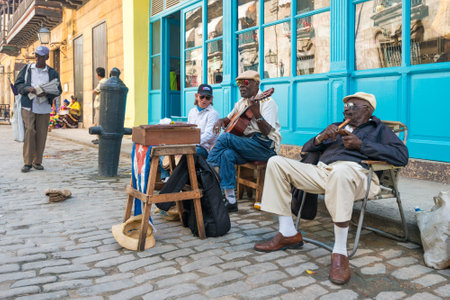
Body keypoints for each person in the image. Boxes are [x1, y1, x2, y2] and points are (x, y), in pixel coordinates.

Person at [253, 92, 408, 285]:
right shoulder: (336, 126)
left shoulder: (378, 129)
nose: (346, 108)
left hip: (358, 175)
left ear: (367, 109)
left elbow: (402, 156)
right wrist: (320, 138)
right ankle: (288, 233)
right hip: (323, 172)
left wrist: (362, 145)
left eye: (352, 105)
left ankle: (340, 253)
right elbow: (306, 148)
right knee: (276, 162)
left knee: (341, 171)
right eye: (345, 105)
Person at [207, 70, 281, 212]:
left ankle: (208, 168)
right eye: (239, 83)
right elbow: (229, 119)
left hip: (264, 148)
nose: (241, 86)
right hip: (247, 144)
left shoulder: (267, 102)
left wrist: (256, 112)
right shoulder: (241, 103)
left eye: (246, 82)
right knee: (227, 154)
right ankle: (230, 200)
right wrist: (220, 121)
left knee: (227, 138)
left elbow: (266, 132)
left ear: (257, 84)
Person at [15, 45, 62, 173]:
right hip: (28, 105)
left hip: (44, 107)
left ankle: (37, 161)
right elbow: (18, 84)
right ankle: (27, 162)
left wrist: (47, 93)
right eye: (36, 55)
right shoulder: (27, 69)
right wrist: (28, 89)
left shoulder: (52, 73)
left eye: (41, 56)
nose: (38, 58)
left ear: (46, 57)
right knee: (30, 130)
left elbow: (58, 90)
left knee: (41, 134)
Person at [159, 84, 219, 180]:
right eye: (202, 97)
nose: (204, 100)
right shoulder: (192, 112)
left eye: (207, 98)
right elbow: (188, 130)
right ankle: (166, 177)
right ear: (196, 96)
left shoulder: (213, 114)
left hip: (204, 147)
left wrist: (190, 144)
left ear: (211, 99)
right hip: (191, 144)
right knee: (162, 149)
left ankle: (176, 179)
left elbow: (209, 135)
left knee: (185, 154)